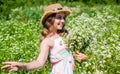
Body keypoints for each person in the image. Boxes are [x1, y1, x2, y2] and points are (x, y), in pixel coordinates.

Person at [1, 3, 87, 74]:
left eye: (63, 18)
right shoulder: (48, 41)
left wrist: (82, 57)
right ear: (50, 20)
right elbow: (39, 63)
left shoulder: (67, 36)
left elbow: (74, 55)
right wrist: (22, 66)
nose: (63, 21)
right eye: (59, 18)